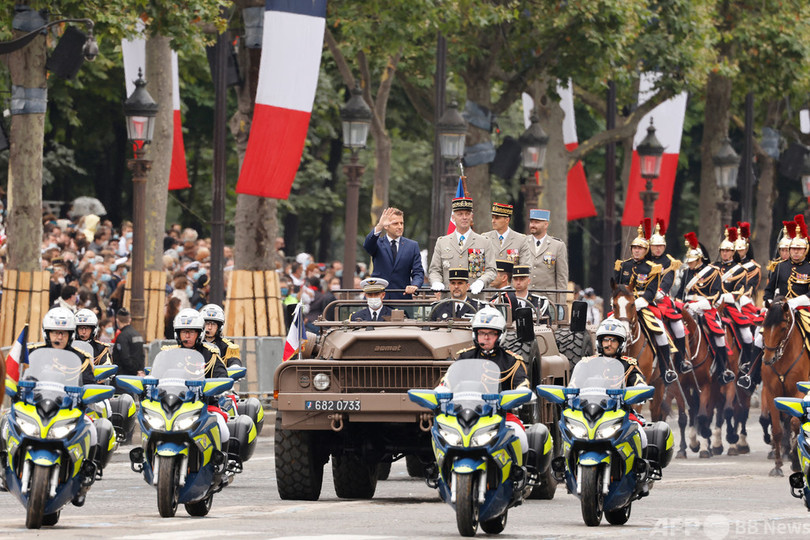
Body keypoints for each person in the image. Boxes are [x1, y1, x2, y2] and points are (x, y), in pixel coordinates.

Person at [455, 306, 529, 455]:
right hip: (466, 415)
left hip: (501, 415)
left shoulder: (511, 360)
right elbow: (448, 382)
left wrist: (523, 391)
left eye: (491, 334)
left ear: (500, 336)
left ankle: (520, 474)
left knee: (521, 438)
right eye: (482, 333)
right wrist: (442, 389)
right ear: (475, 335)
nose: (486, 338)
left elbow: (522, 383)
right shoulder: (464, 358)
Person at [614, 220, 680, 384]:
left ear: (646, 250)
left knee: (661, 333)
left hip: (644, 306)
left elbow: (651, 292)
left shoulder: (652, 267)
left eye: (640, 248)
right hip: (624, 307)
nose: (637, 251)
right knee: (606, 327)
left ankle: (666, 370)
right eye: (634, 248)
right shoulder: (623, 265)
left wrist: (636, 304)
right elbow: (616, 287)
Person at [162, 309, 230, 450]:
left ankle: (221, 463)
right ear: (177, 334)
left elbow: (222, 375)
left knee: (223, 431)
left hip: (205, 405)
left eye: (191, 332)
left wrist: (220, 385)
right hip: (174, 406)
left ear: (199, 333)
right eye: (183, 332)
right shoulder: (168, 354)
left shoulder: (210, 354)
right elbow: (156, 375)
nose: (187, 336)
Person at [678, 232, 735, 384]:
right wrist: (680, 305)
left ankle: (723, 368)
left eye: (692, 261)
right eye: (688, 261)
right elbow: (679, 294)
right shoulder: (686, 273)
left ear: (699, 259)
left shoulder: (712, 272)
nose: (689, 264)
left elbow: (716, 295)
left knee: (719, 335)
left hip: (705, 308)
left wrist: (698, 305)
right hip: (687, 308)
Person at [648, 220, 692, 375]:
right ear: (650, 247)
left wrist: (657, 293)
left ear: (664, 246)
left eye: (660, 246)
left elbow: (666, 283)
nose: (657, 249)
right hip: (641, 300)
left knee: (679, 328)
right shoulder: (644, 260)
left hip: (661, 300)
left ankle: (680, 361)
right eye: (655, 246)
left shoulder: (670, 262)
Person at [428, 197, 496, 293]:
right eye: (460, 214)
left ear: (471, 216)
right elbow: (435, 270)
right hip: (449, 297)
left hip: (474, 298)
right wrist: (436, 282)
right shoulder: (442, 242)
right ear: (453, 217)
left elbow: (491, 270)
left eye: (467, 214)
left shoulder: (484, 242)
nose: (464, 217)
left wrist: (481, 282)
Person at [714, 227, 755, 378]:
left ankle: (747, 363)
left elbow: (739, 291)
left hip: (730, 306)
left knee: (746, 334)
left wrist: (723, 298)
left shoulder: (739, 270)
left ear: (733, 253)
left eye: (728, 251)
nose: (725, 253)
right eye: (722, 251)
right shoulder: (713, 267)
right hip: (711, 306)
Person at [363, 207, 424, 300]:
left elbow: (418, 272)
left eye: (401, 223)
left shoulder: (412, 246)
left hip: (402, 298)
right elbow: (367, 245)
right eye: (395, 223)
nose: (400, 226)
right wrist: (379, 225)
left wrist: (415, 285)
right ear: (386, 226)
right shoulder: (377, 243)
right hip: (378, 297)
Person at [518, 209, 568, 303]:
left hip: (548, 300)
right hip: (524, 298)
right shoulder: (522, 242)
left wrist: (560, 304)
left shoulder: (557, 245)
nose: (532, 225)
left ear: (546, 224)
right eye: (531, 222)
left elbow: (561, 278)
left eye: (536, 222)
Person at [112, 308, 145, 395]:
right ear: (129, 320)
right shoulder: (137, 334)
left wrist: (134, 370)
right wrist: (140, 370)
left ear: (117, 320)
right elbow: (142, 355)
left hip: (122, 378)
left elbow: (125, 358)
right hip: (135, 377)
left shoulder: (122, 337)